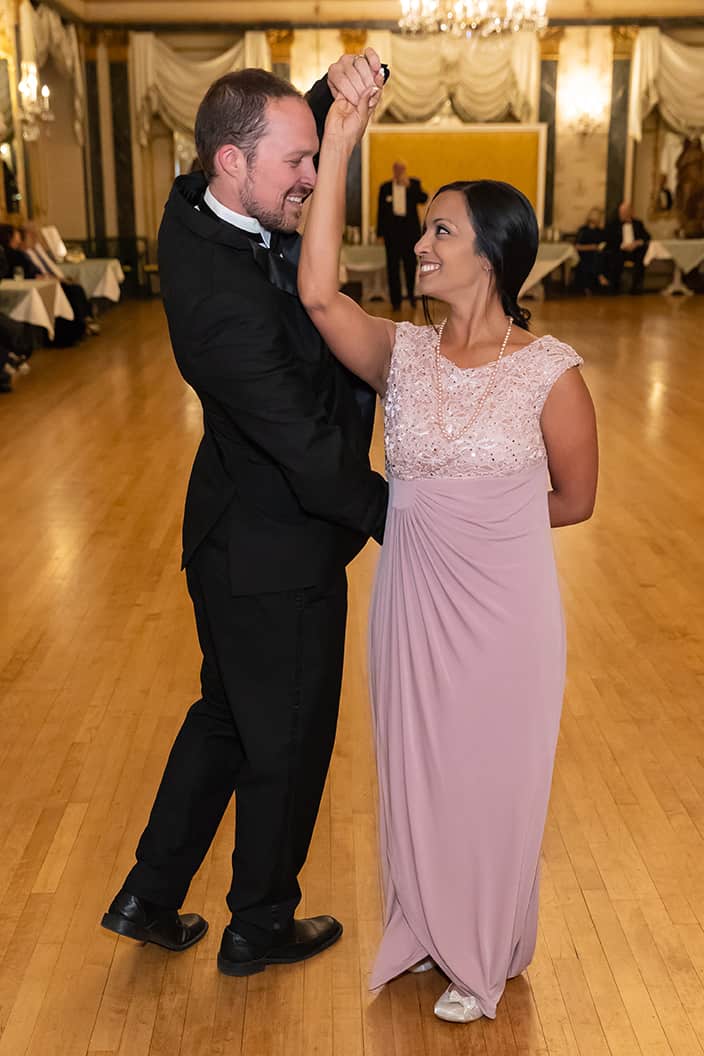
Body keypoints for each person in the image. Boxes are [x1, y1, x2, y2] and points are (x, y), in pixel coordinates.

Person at [299, 88, 598, 1022]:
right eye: (425, 228)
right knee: (418, 767)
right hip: (412, 603)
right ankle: (428, 926)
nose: (422, 245)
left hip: (507, 612)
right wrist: (339, 140)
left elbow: (576, 499)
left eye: (441, 231)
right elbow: (318, 294)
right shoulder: (403, 354)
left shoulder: (550, 371)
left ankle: (481, 950)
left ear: (492, 255)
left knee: (492, 774)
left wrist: (482, 529)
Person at [101, 53, 389, 976]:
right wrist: (408, 520)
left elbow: (269, 134)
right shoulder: (221, 306)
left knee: (227, 717)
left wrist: (329, 93)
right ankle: (259, 923)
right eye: (296, 164)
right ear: (233, 162)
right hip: (276, 555)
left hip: (228, 536)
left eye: (312, 157)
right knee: (289, 743)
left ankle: (149, 894)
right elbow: (309, 453)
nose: (311, 176)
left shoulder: (195, 206)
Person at [376, 160, 428, 310]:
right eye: (397, 169)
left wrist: (408, 186)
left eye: (401, 169)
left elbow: (423, 198)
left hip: (410, 234)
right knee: (392, 268)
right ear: (393, 170)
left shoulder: (413, 183)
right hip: (391, 234)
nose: (399, 171)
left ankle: (412, 297)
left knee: (410, 266)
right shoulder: (385, 187)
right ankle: (396, 302)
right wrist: (380, 233)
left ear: (405, 170)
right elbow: (380, 212)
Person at [604, 201, 650, 295]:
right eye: (621, 212)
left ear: (630, 212)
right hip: (620, 250)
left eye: (625, 212)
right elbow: (609, 240)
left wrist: (637, 243)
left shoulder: (638, 224)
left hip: (635, 251)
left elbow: (647, 237)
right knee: (614, 257)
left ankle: (636, 287)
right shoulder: (613, 224)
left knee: (642, 256)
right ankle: (614, 287)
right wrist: (623, 246)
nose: (622, 214)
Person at [574, 207, 609, 294]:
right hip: (584, 254)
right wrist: (591, 247)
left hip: (597, 254)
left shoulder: (600, 231)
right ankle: (600, 276)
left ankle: (598, 279)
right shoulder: (583, 230)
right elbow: (577, 246)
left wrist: (600, 247)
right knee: (593, 256)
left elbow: (604, 243)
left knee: (600, 256)